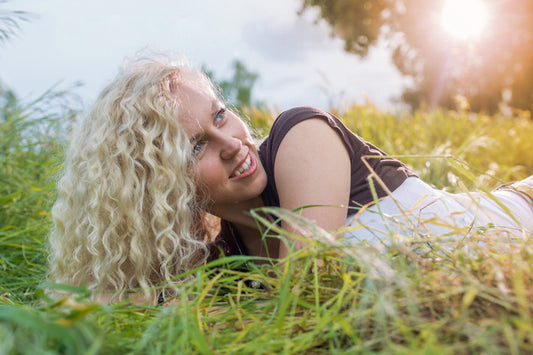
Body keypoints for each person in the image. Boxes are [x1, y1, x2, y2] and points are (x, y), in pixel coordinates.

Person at [47, 53, 533, 304]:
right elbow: (100, 306)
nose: (234, 142)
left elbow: (306, 290)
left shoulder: (298, 136)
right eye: (197, 147)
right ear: (164, 189)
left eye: (220, 116)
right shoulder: (225, 260)